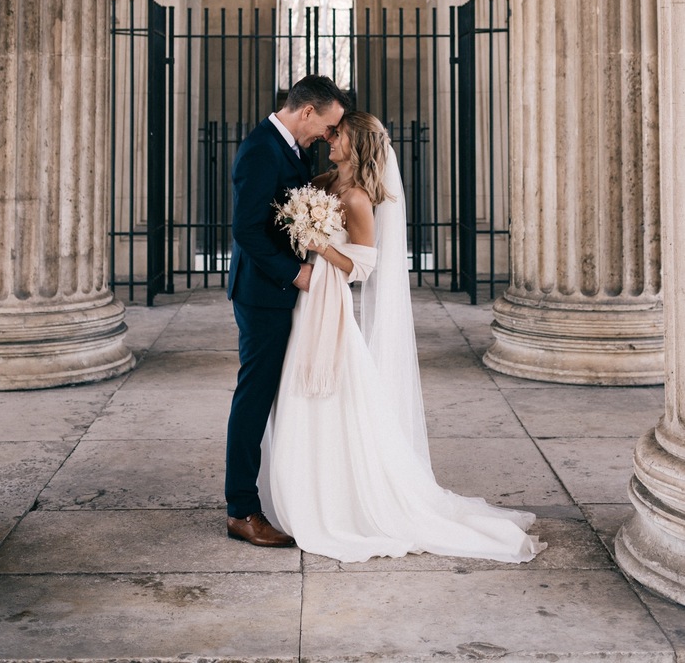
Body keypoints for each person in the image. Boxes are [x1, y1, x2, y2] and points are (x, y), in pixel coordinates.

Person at [260, 111, 546, 563]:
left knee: (332, 395)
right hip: (304, 298)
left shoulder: (357, 198)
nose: (330, 140)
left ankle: (338, 502)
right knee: (295, 388)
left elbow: (364, 266)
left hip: (327, 300)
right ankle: (302, 490)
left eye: (340, 136)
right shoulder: (322, 180)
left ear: (359, 147)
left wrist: (321, 247)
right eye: (331, 133)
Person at [225, 74, 349, 547]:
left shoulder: (292, 150)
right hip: (262, 293)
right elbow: (248, 230)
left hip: (279, 293)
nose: (328, 136)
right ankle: (241, 509)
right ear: (307, 112)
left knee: (275, 396)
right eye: (328, 126)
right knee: (254, 397)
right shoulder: (261, 149)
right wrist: (296, 275)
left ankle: (282, 493)